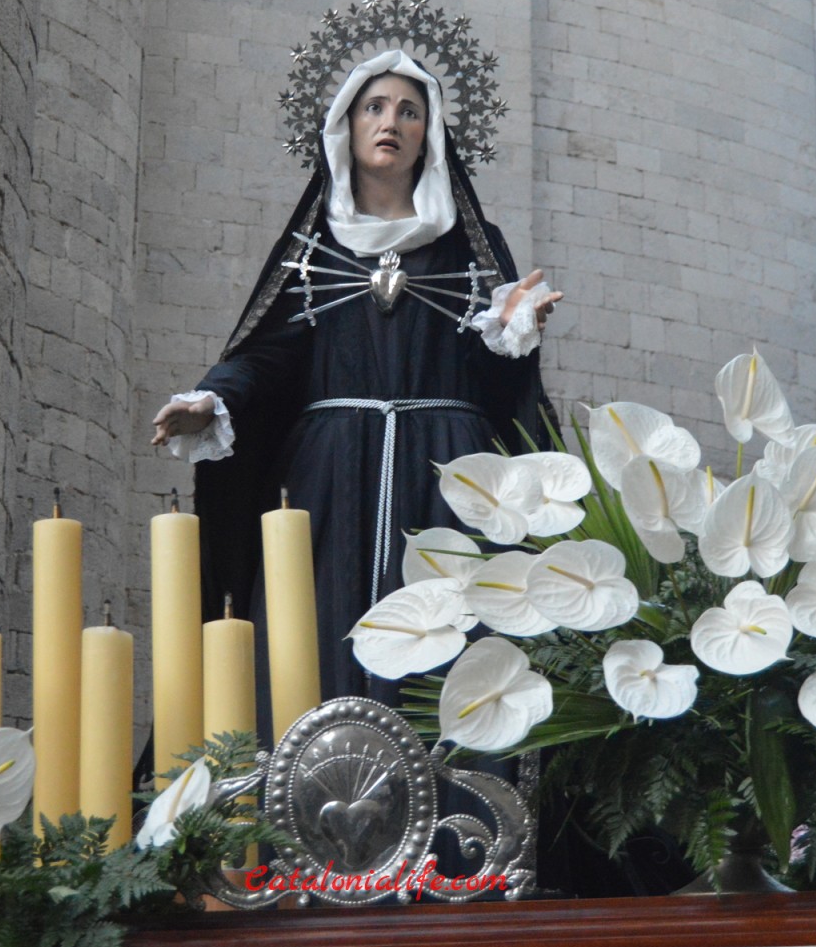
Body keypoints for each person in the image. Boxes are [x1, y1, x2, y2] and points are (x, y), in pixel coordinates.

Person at [151, 49, 561, 716]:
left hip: (446, 475)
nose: (390, 122)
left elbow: (500, 391)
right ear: (346, 125)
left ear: (430, 136)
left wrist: (514, 333)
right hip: (330, 476)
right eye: (374, 107)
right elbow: (266, 354)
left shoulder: (470, 245)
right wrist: (213, 399)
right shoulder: (314, 248)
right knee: (314, 629)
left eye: (409, 112)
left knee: (450, 634)